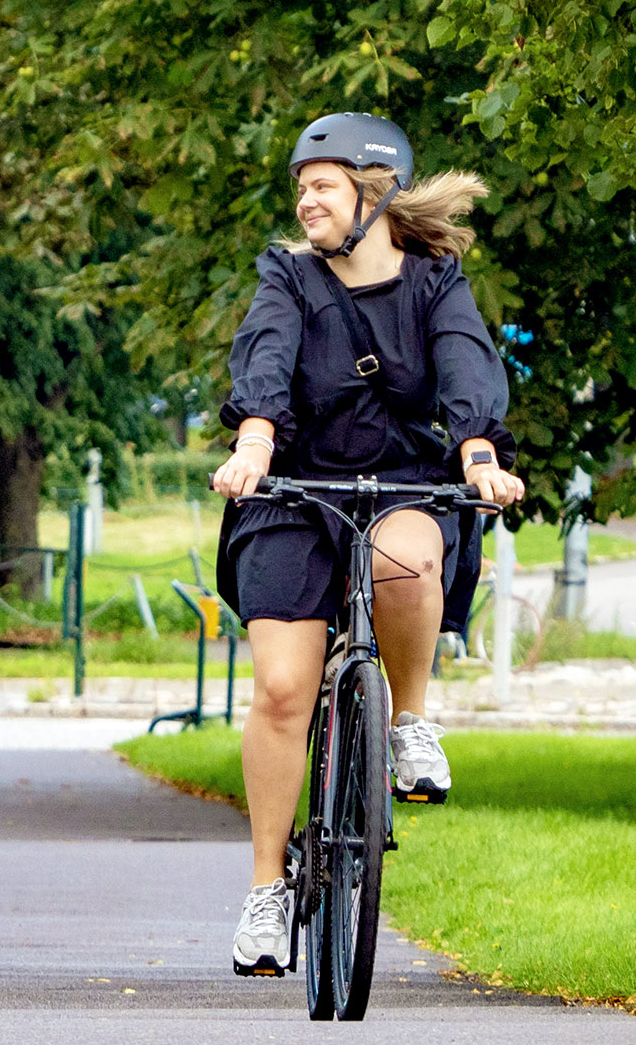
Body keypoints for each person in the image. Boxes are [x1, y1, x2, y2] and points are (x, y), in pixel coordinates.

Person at [210, 113, 528, 977]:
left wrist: (478, 455)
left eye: (324, 183)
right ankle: (267, 891)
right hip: (293, 487)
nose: (306, 199)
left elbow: (466, 364)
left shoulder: (435, 284)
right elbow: (265, 357)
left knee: (409, 559)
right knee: (281, 689)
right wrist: (255, 441)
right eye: (301, 185)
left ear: (373, 193)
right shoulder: (288, 276)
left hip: (402, 481)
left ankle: (411, 720)